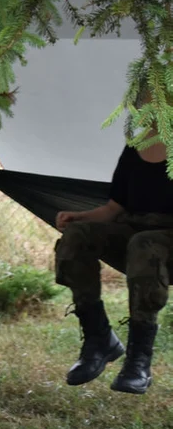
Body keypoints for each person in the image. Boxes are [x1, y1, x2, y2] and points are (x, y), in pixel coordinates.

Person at [54, 114, 172, 394]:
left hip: (163, 241)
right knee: (76, 236)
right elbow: (113, 209)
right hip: (134, 233)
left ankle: (138, 361)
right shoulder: (135, 145)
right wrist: (80, 217)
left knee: (144, 244)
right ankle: (99, 338)